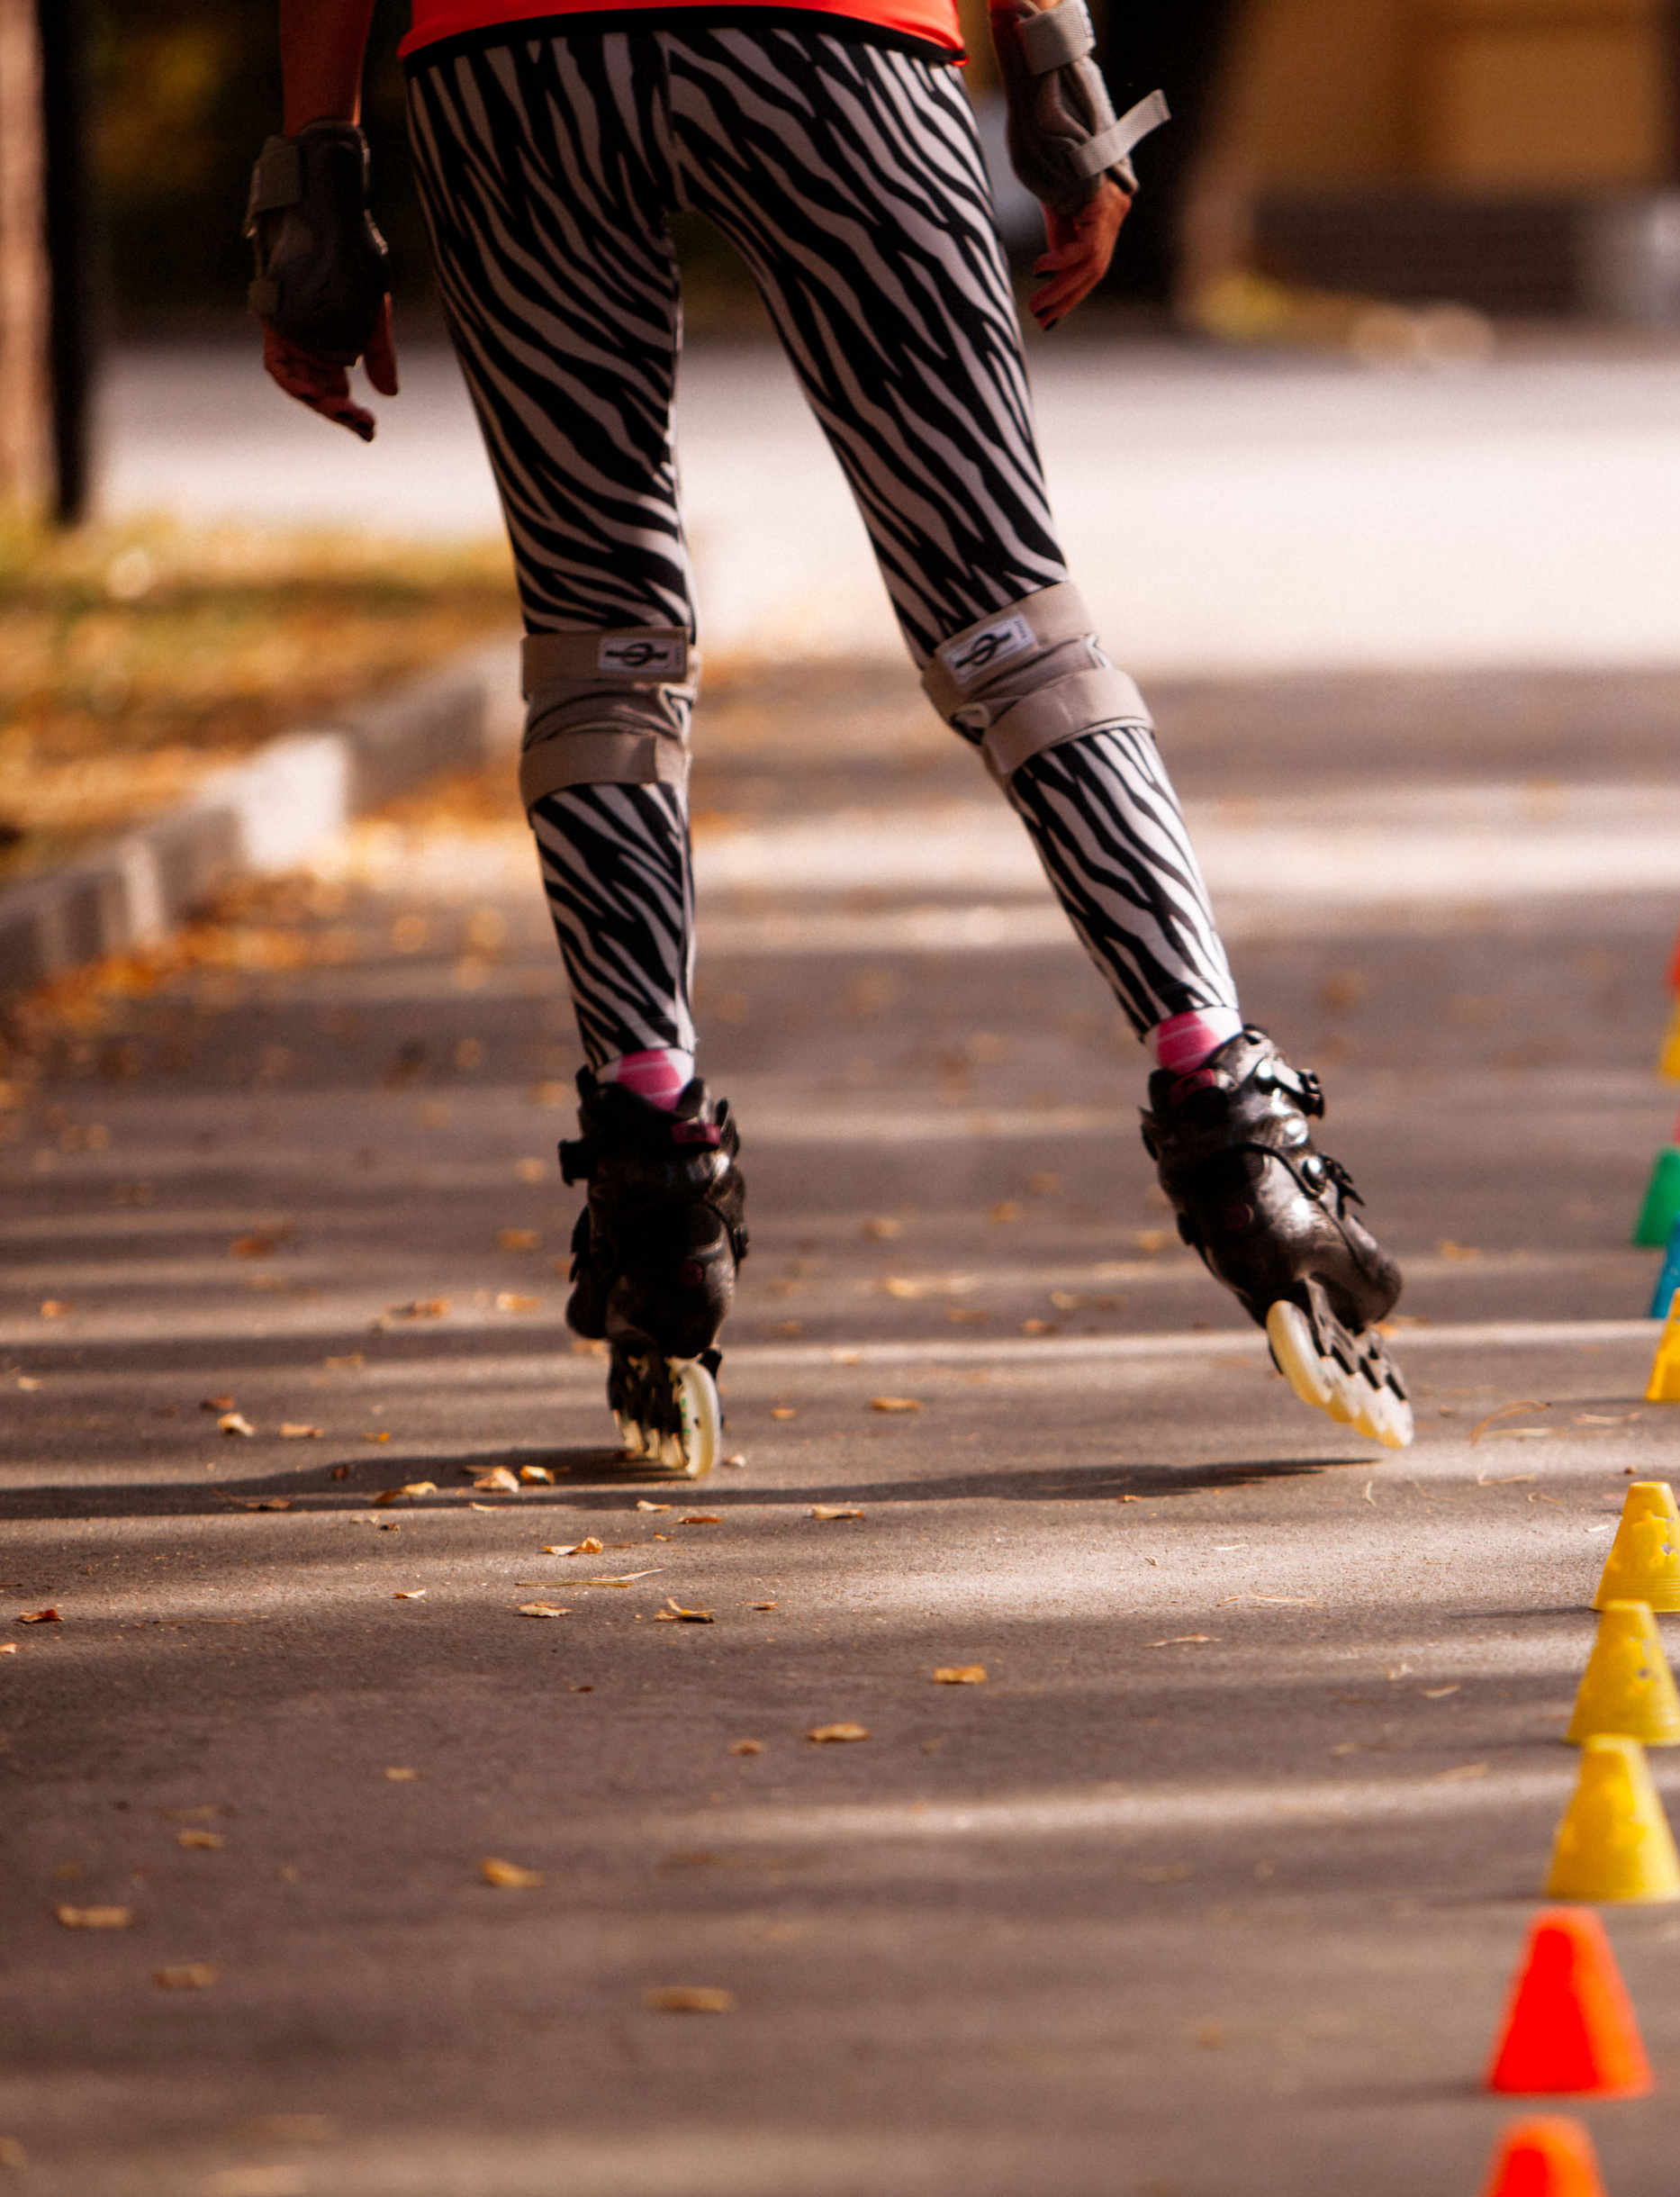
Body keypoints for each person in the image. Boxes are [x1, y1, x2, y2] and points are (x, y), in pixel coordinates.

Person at [252, 0, 1411, 1472]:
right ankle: (1232, 1119)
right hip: (836, 44)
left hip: (515, 59)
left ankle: (654, 1164)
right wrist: (1055, 62)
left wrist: (319, 172)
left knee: (602, 642)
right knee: (1010, 621)